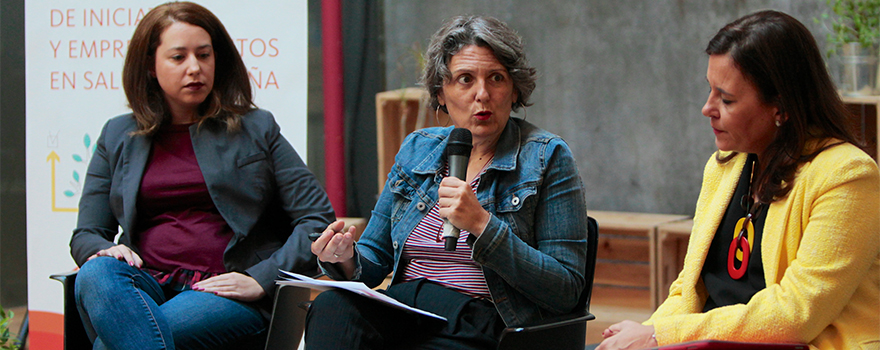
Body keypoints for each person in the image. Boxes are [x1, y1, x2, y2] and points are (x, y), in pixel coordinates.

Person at [597, 10, 879, 350]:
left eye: (726, 99)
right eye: (710, 91)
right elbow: (689, 288)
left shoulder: (847, 175)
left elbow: (796, 315)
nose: (707, 108)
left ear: (782, 108)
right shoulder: (723, 167)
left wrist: (662, 335)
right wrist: (647, 333)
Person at [305, 15, 588, 349]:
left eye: (496, 78)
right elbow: (373, 258)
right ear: (441, 92)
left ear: (514, 91)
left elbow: (565, 290)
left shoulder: (546, 157)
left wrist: (483, 225)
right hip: (405, 310)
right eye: (465, 79)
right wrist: (344, 257)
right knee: (329, 307)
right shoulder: (417, 149)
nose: (482, 94)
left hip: (482, 320)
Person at [69, 2, 335, 349]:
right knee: (95, 272)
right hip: (146, 282)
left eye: (204, 55)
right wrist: (107, 250)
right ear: (150, 66)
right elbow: (87, 234)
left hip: (225, 290)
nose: (195, 68)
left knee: (111, 344)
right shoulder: (118, 134)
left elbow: (316, 218)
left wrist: (260, 278)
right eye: (178, 58)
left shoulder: (256, 128)